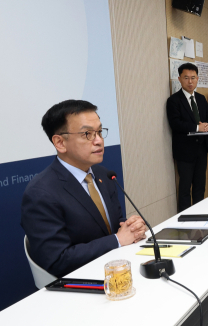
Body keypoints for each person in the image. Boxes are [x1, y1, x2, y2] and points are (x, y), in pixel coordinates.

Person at [22, 99, 147, 277]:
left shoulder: (103, 174)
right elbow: (57, 260)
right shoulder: (40, 193)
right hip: (79, 284)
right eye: (87, 134)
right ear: (60, 143)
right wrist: (118, 240)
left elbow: (112, 225)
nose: (99, 141)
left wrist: (131, 227)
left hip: (116, 272)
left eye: (99, 132)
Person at [167, 63, 208, 212]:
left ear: (197, 79)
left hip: (201, 149)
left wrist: (207, 126)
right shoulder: (173, 100)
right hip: (185, 151)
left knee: (200, 186)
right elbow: (175, 123)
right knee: (185, 188)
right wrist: (196, 128)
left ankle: (200, 215)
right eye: (186, 78)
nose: (190, 82)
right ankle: (185, 220)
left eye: (193, 78)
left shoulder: (201, 98)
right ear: (179, 79)